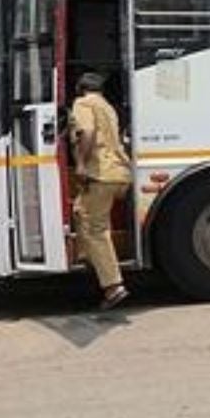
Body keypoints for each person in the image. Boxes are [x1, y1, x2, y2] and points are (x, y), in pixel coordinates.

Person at [69, 71, 131, 310]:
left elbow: (88, 132)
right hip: (118, 173)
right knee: (80, 211)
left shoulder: (83, 103)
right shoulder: (107, 106)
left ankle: (113, 287)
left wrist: (82, 164)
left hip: (101, 173)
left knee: (95, 229)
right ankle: (89, 259)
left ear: (80, 88)